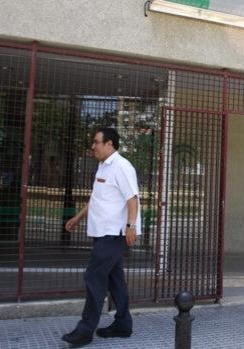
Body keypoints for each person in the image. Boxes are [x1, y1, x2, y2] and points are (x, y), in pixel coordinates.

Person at [61, 128, 141, 347]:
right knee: (115, 280)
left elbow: (132, 198)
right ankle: (123, 324)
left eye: (96, 142)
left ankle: (85, 330)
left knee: (94, 276)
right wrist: (77, 218)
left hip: (114, 234)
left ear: (110, 144)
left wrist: (131, 226)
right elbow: (96, 199)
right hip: (102, 232)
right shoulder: (102, 167)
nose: (93, 146)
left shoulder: (122, 166)